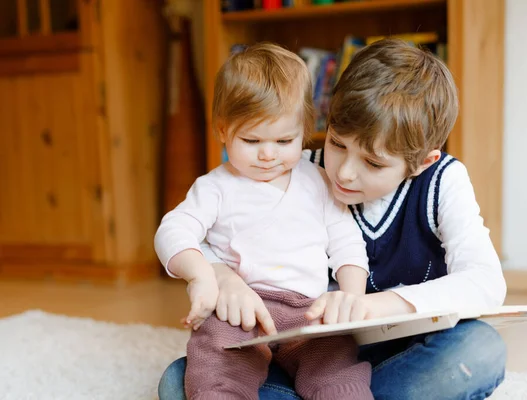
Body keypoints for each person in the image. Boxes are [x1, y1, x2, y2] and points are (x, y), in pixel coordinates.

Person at [158, 39, 508, 400]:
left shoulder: (443, 181)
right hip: (299, 347)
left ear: (423, 162)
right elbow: (195, 230)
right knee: (178, 379)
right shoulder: (294, 165)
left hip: (397, 355)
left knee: (482, 349)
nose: (344, 173)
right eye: (338, 144)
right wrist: (223, 278)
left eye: (373, 163)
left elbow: (485, 282)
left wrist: (368, 305)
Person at [154, 43, 374, 400]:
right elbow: (173, 230)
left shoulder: (318, 180)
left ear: (305, 129)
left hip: (310, 312)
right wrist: (200, 275)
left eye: (284, 140)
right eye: (252, 140)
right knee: (217, 360)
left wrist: (350, 299)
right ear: (223, 131)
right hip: (241, 311)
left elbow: (348, 246)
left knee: (337, 367)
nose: (268, 154)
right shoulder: (216, 188)